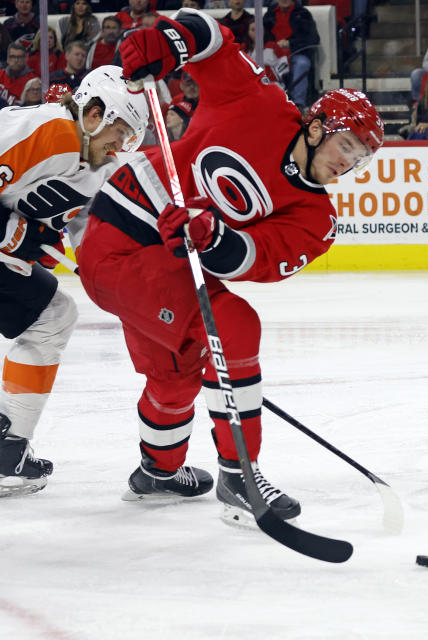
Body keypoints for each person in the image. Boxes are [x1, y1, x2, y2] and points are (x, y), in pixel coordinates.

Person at [76, 9, 384, 524]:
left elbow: (259, 259)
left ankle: (158, 471)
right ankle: (240, 474)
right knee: (234, 325)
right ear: (317, 124)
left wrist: (213, 236)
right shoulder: (259, 101)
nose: (348, 163)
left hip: (172, 265)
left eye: (359, 159)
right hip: (121, 235)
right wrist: (170, 41)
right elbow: (214, 41)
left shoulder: (316, 218)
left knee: (174, 373)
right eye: (346, 145)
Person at [0, 65, 147, 497]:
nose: (121, 145)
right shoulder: (49, 132)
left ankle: (8, 449)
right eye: (119, 132)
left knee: (54, 314)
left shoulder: (90, 161)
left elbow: (83, 232)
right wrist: (13, 233)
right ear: (94, 113)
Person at [263, 0, 319, 109]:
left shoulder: (303, 14)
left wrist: (290, 43)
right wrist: (274, 45)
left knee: (302, 63)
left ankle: (298, 104)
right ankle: (268, 101)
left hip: (296, 53)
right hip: (273, 54)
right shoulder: (269, 15)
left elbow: (313, 38)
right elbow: (262, 36)